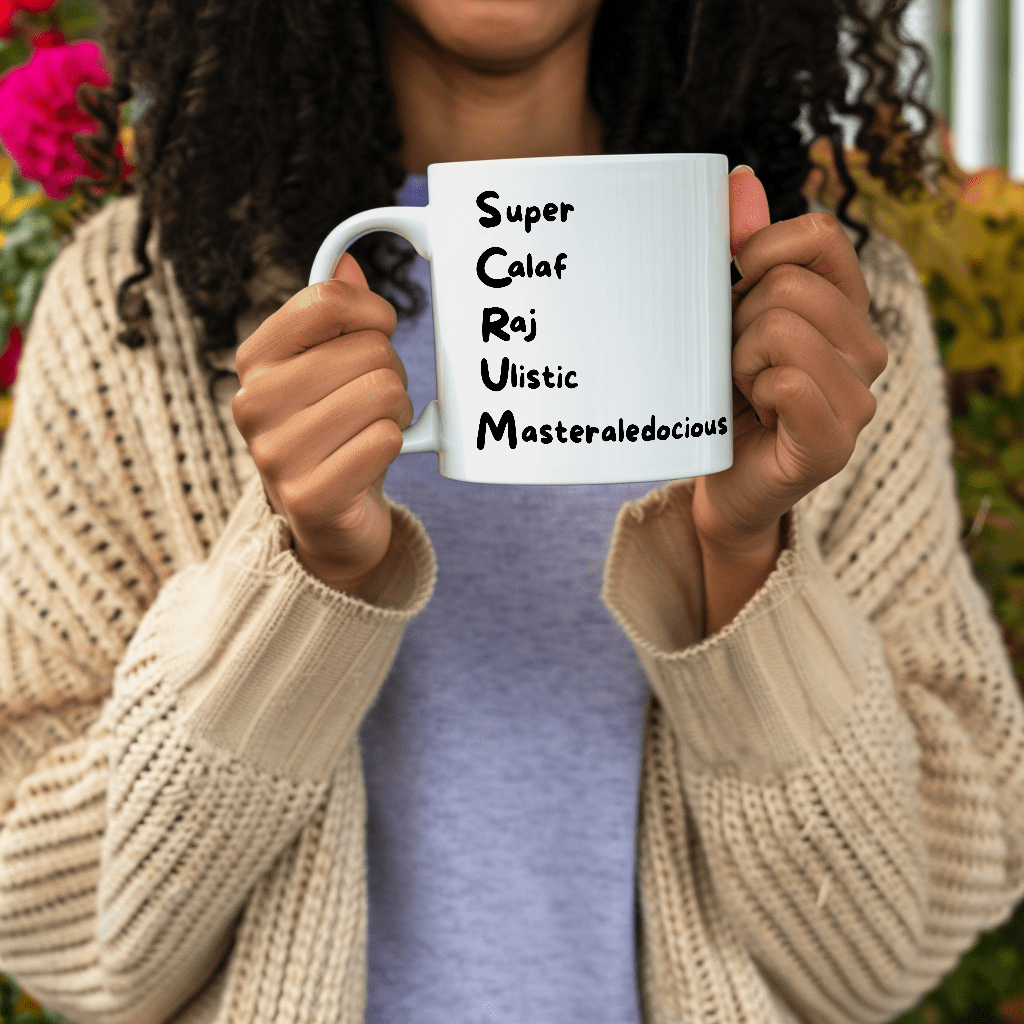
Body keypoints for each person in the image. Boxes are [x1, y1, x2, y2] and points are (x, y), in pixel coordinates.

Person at [1, 1, 1022, 1023]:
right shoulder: (142, 305)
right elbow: (66, 931)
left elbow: (873, 963)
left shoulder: (818, 322)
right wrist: (299, 584)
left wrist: (742, 561)